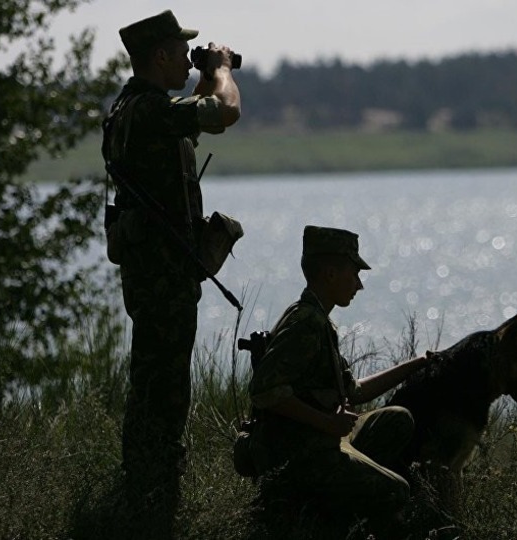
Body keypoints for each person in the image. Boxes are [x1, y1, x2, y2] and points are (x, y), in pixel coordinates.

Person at [100, 9, 241, 537]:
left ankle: (145, 492)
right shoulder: (150, 111)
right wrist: (224, 70)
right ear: (159, 56)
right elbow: (223, 113)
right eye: (181, 52)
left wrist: (202, 73)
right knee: (164, 391)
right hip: (161, 279)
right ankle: (154, 500)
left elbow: (194, 114)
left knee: (155, 384)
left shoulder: (138, 108)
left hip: (156, 273)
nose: (189, 58)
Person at [247, 225, 432, 527]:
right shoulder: (306, 322)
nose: (359, 285)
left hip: (319, 438)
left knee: (397, 418)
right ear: (330, 274)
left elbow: (354, 391)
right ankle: (328, 517)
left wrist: (416, 364)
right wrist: (327, 422)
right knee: (396, 491)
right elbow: (264, 390)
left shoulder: (318, 320)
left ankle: (340, 501)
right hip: (297, 453)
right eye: (354, 273)